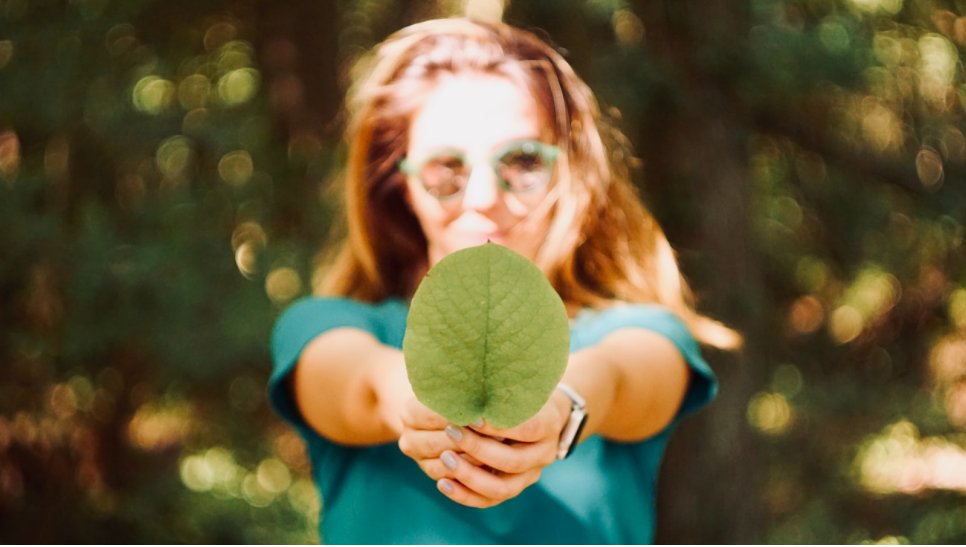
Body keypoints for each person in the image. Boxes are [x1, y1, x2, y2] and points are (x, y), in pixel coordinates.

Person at [268, 17, 740, 544]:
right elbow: (361, 386)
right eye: (446, 167)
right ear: (399, 185)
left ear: (568, 171)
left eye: (521, 161)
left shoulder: (641, 332)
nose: (483, 197)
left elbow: (622, 378)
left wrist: (561, 407)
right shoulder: (324, 326)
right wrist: (421, 405)